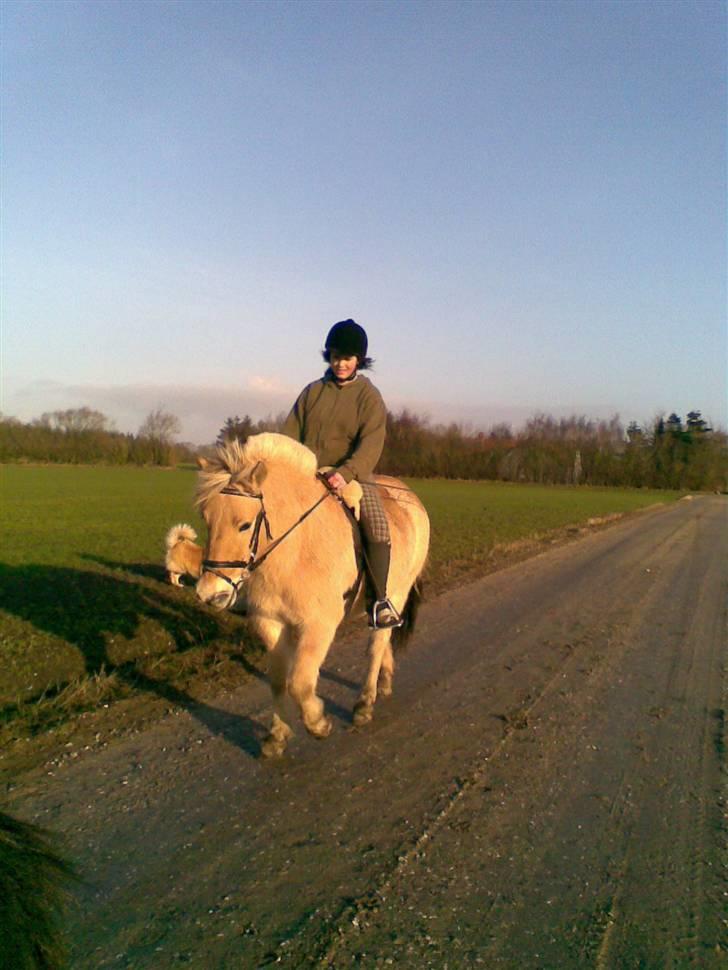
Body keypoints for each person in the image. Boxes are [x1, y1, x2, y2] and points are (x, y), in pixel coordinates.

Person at [282, 319, 402, 628]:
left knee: (378, 528)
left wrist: (345, 473)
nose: (341, 364)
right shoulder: (311, 392)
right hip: (307, 475)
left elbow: (371, 444)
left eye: (347, 358)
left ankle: (379, 601)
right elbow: (289, 435)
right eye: (336, 357)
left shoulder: (369, 397)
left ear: (359, 359)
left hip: (352, 476)